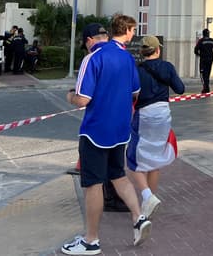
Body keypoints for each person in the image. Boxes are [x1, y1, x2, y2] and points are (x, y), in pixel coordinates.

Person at [61, 16, 149, 255]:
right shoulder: (126, 56)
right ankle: (139, 217)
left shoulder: (93, 58)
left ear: (89, 41)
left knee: (93, 185)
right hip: (120, 130)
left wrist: (69, 95)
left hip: (95, 132)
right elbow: (135, 91)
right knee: (118, 176)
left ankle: (91, 240)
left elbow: (82, 99)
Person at [127, 35, 185, 229]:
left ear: (143, 52)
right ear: (158, 50)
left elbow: (131, 94)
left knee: (133, 160)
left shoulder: (136, 70)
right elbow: (180, 88)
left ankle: (148, 197)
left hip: (144, 115)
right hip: (163, 114)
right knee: (155, 158)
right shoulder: (167, 67)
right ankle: (148, 201)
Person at [193, 28, 213, 94]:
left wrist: (199, 54)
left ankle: (205, 87)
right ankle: (207, 87)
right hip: (210, 59)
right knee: (207, 73)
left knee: (202, 74)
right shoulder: (212, 40)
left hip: (203, 59)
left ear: (203, 34)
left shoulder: (201, 41)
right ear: (208, 34)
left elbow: (195, 50)